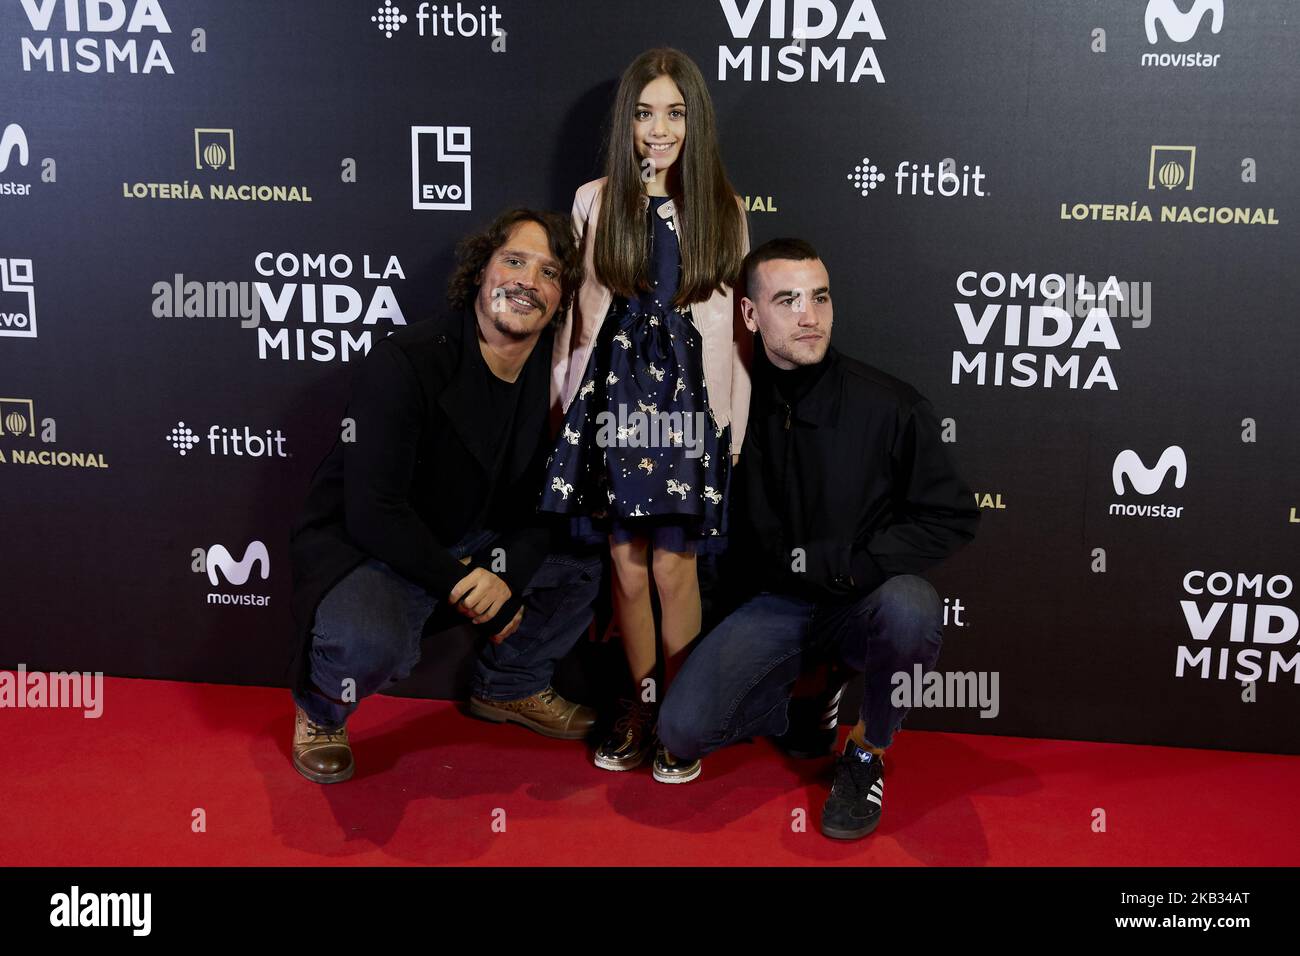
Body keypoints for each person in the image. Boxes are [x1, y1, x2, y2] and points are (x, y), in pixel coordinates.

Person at [657, 238, 981, 836]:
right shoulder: (725, 400)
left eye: (820, 298)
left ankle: (866, 752)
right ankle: (807, 699)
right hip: (771, 606)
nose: (810, 316)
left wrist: (853, 566)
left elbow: (952, 515)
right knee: (680, 732)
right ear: (751, 316)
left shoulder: (890, 405)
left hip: (858, 598)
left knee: (911, 606)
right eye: (788, 300)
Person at [286, 208, 602, 784]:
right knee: (367, 637)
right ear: (481, 270)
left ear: (563, 298)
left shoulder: (557, 373)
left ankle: (511, 686)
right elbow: (373, 510)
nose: (529, 281)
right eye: (514, 261)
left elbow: (548, 499)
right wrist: (463, 580)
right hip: (379, 547)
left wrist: (504, 575)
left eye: (550, 272)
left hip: (477, 537)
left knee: (587, 554)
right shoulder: (408, 360)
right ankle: (321, 713)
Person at [541, 48, 751, 783]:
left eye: (674, 113)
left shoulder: (724, 208)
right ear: (625, 122)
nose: (658, 130)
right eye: (643, 113)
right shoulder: (595, 200)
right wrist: (566, 410)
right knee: (625, 570)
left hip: (687, 411)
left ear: (696, 123)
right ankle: (640, 702)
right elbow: (578, 317)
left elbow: (728, 329)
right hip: (614, 405)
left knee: (673, 567)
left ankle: (679, 715)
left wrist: (727, 430)